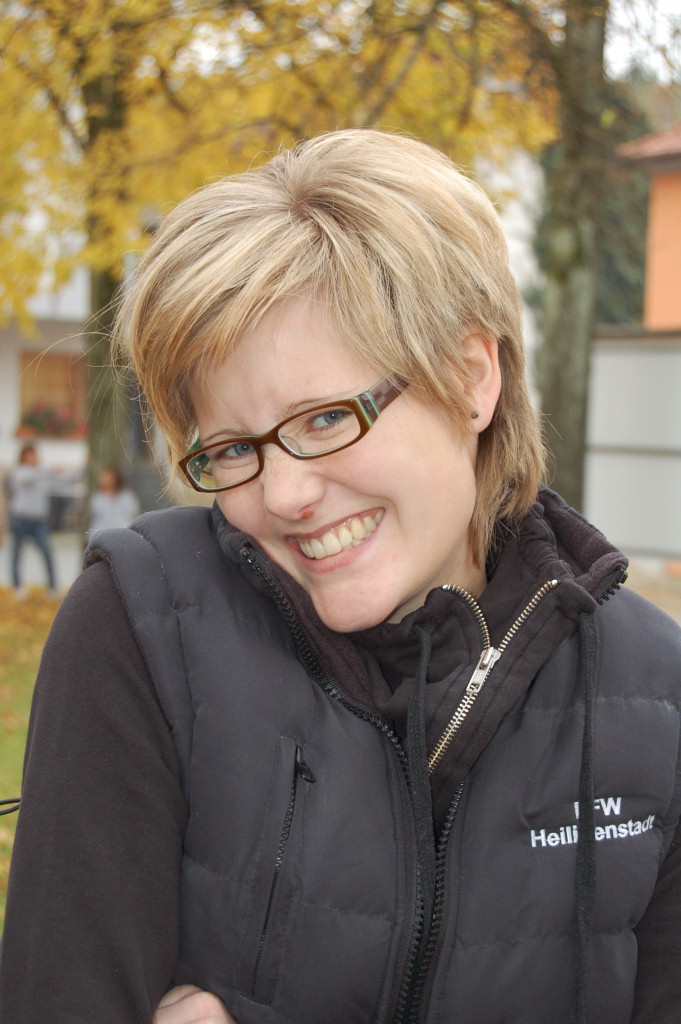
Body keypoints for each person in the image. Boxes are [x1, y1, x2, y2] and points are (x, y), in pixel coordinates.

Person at [1, 129, 680, 1024]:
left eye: (325, 419)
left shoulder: (655, 694)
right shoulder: (140, 627)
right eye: (232, 449)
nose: (283, 494)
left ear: (471, 377)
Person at [5, 443, 57, 593]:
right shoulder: (19, 472)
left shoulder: (42, 473)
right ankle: (17, 587)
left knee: (46, 551)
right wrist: (43, 471)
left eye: (33, 455)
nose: (32, 458)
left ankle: (52, 587)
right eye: (28, 456)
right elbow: (26, 479)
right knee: (16, 554)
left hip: (38, 520)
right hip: (20, 518)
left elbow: (60, 479)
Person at [88, 465, 141, 533]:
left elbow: (134, 515)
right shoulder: (96, 497)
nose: (105, 480)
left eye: (108, 477)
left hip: (123, 535)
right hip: (101, 535)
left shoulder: (127, 496)